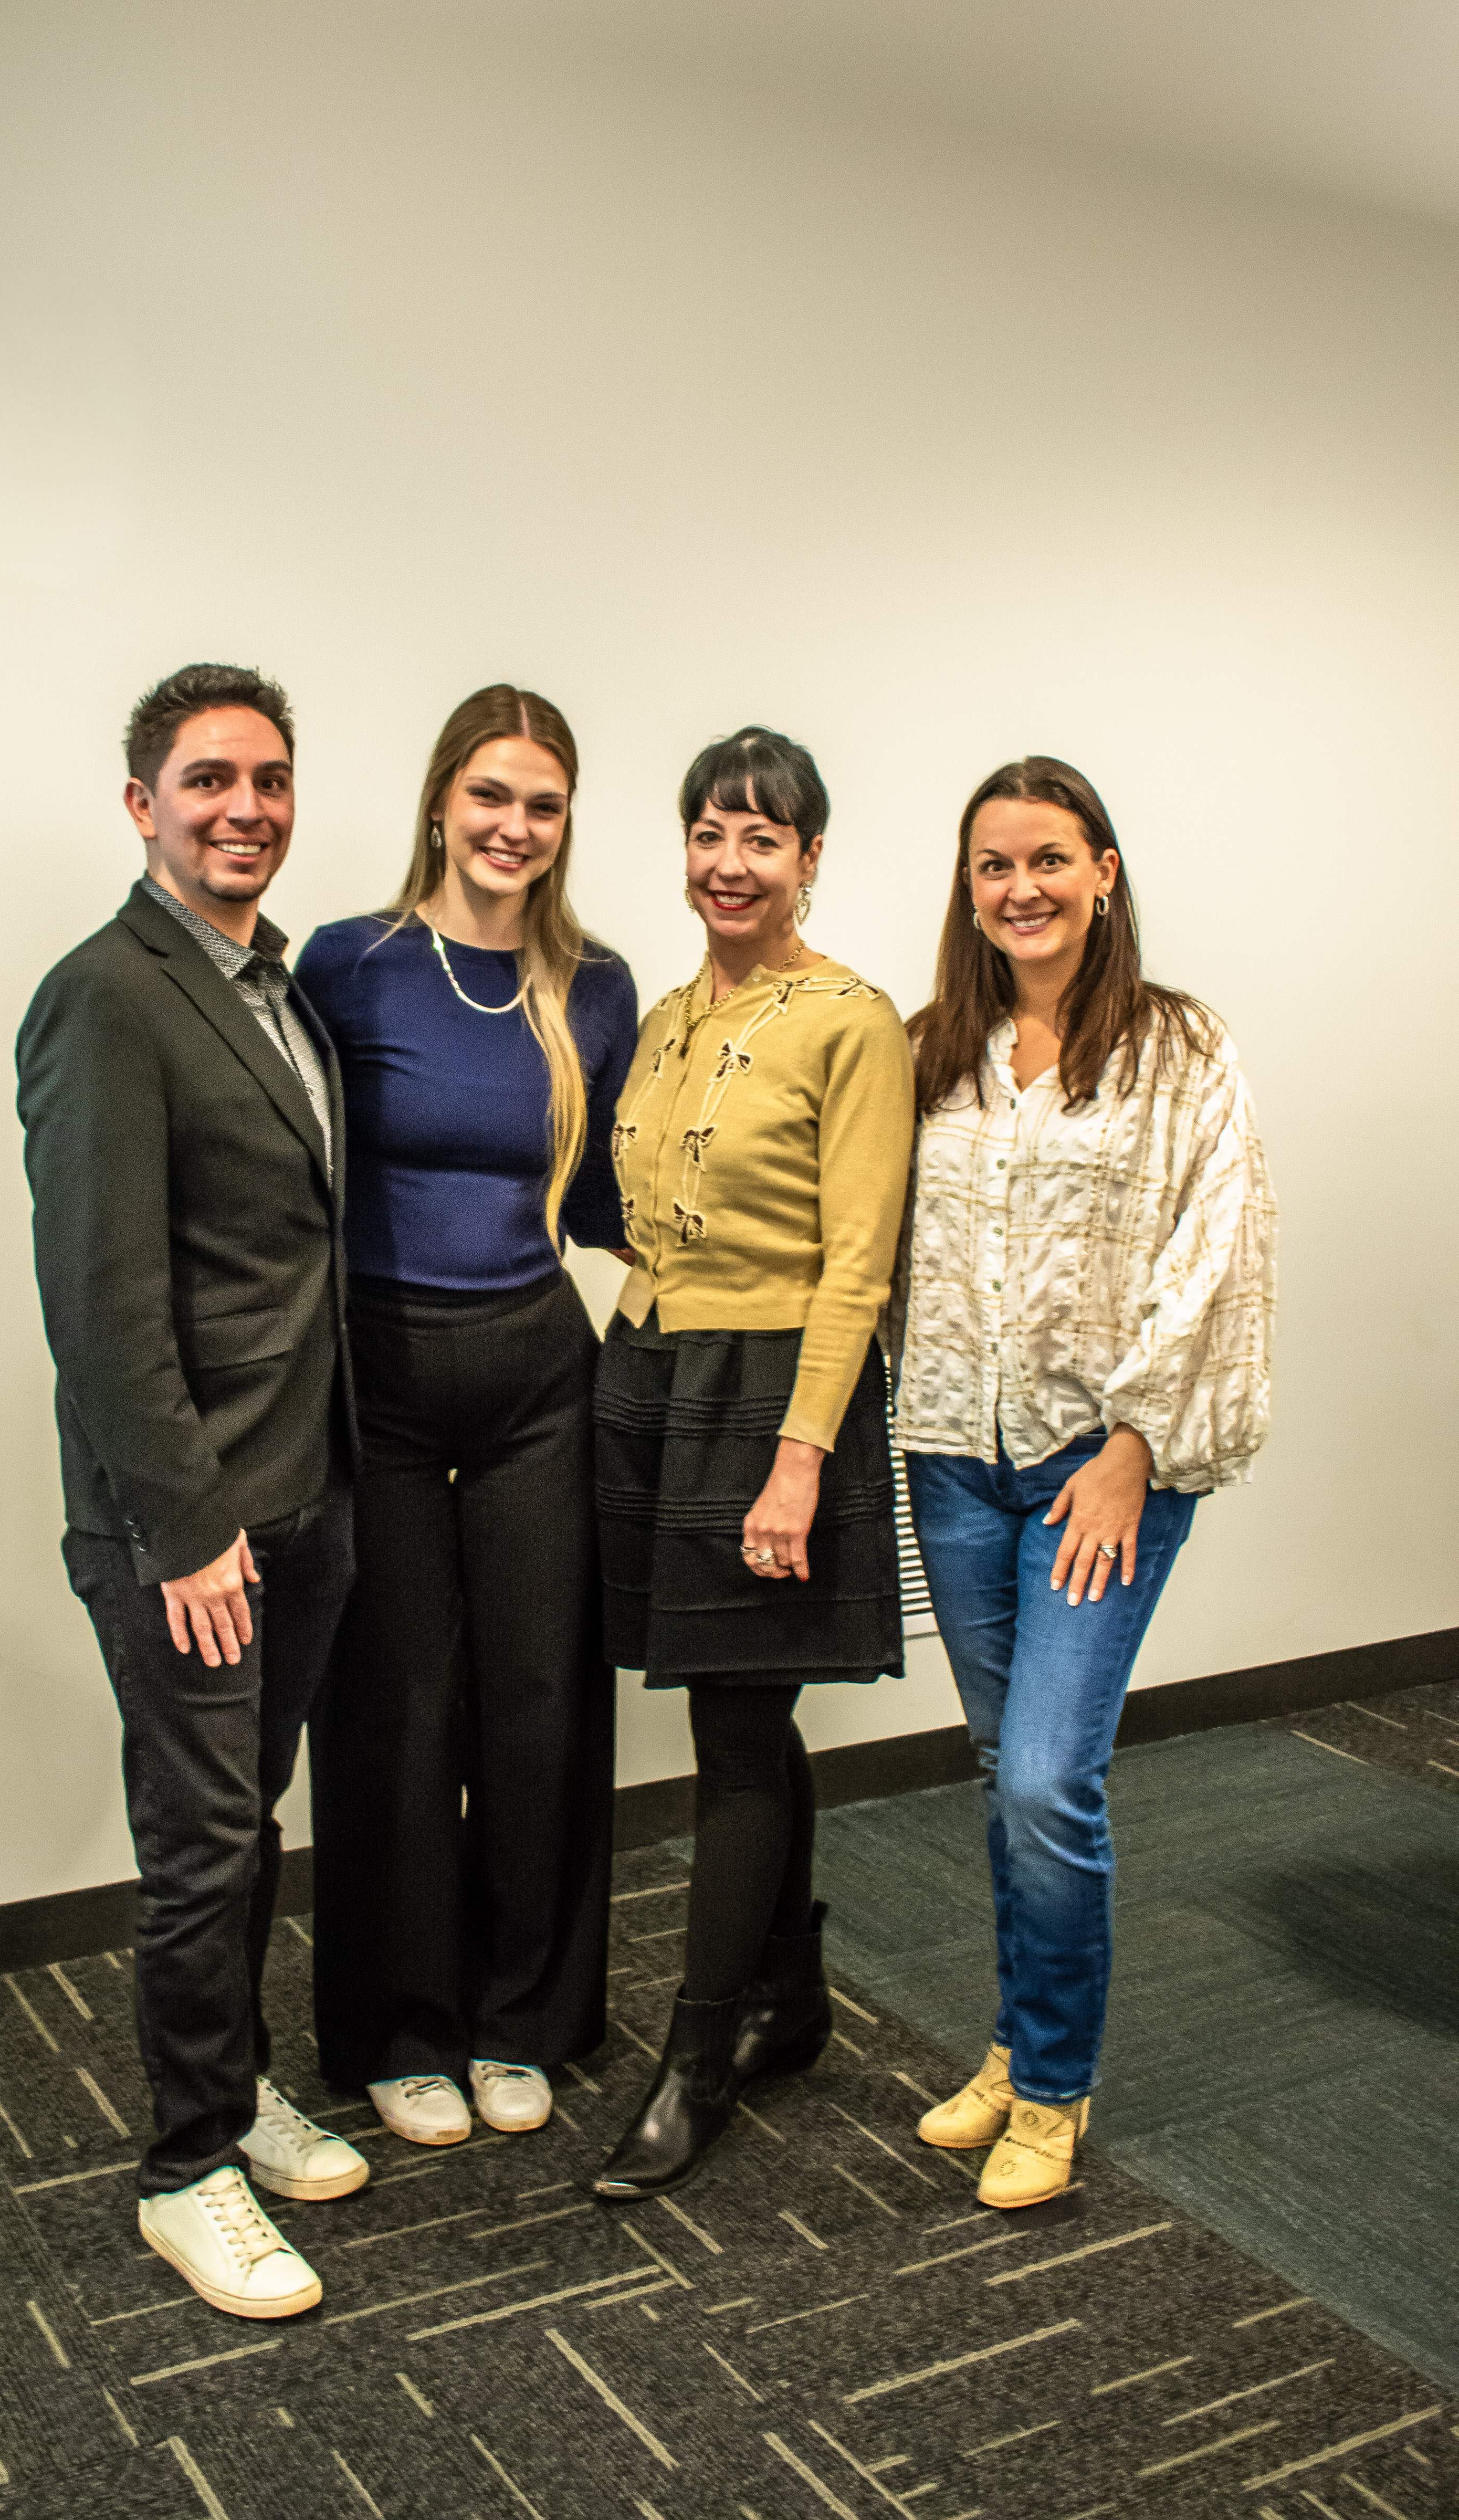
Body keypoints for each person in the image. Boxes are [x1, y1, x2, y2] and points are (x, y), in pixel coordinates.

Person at [17, 664, 369, 2322]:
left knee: (250, 1829)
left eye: (272, 780)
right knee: (202, 1842)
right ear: (143, 801)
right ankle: (183, 2169)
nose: (248, 809)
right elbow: (101, 1300)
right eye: (211, 779)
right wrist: (185, 1525)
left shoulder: (269, 985)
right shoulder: (108, 994)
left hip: (304, 1493)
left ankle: (234, 2094)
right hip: (191, 1523)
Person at [896, 755, 1277, 2209]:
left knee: (1054, 1776)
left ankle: (1053, 2084)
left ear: (1103, 870)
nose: (1021, 890)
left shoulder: (1180, 1050)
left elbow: (1217, 1250)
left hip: (1098, 1465)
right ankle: (1013, 2041)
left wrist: (1131, 1450)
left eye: (1049, 859)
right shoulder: (939, 1047)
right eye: (995, 865)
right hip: (954, 1461)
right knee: (1004, 1774)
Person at [295, 684, 637, 2147]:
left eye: (542, 805)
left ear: (566, 823)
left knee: (542, 1703)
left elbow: (623, 1202)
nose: (513, 827)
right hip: (372, 1374)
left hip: (535, 1380)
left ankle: (524, 2019)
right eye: (490, 796)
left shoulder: (598, 984)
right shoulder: (349, 963)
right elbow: (285, 1167)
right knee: (393, 1707)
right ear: (442, 800)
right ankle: (400, 2031)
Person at [589, 726, 914, 2199]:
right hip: (654, 1371)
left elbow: (860, 1267)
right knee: (740, 1702)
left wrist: (800, 1462)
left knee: (732, 1729)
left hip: (776, 1389)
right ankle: (795, 1994)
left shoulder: (854, 1021)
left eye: (762, 840)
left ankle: (699, 2053)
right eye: (710, 833)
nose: (731, 864)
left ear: (810, 858)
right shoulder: (661, 1018)